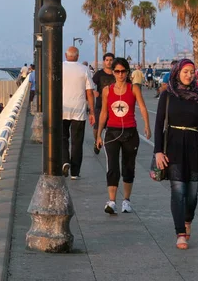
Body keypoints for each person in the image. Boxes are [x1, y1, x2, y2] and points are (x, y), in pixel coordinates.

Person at [154, 59, 198, 250]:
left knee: (192, 193)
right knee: (178, 190)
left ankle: (188, 219)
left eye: (191, 71)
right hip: (173, 145)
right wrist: (157, 151)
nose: (189, 75)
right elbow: (159, 124)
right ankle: (180, 232)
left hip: (195, 146)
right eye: (185, 71)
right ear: (177, 72)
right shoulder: (167, 95)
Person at [96, 58, 151, 215]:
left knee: (128, 166)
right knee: (112, 167)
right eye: (117, 71)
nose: (120, 74)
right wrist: (99, 134)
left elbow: (142, 107)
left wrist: (147, 125)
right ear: (113, 73)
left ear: (128, 72)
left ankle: (126, 200)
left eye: (123, 71)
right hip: (112, 132)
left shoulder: (133, 88)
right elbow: (104, 112)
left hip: (130, 133)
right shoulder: (107, 90)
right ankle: (112, 201)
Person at [62, 46, 96, 180]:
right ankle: (75, 172)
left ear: (66, 55)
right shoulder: (84, 69)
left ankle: (64, 161)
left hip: (62, 109)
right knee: (77, 142)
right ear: (77, 56)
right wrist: (92, 111)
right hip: (79, 110)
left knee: (62, 138)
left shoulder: (59, 67)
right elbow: (89, 92)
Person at [92, 53, 116, 154]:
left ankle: (111, 144)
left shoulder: (116, 73)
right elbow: (91, 85)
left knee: (112, 127)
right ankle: (96, 140)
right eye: (107, 60)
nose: (109, 62)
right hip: (100, 104)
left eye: (111, 60)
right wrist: (94, 92)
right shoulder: (99, 74)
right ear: (104, 62)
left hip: (113, 105)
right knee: (97, 127)